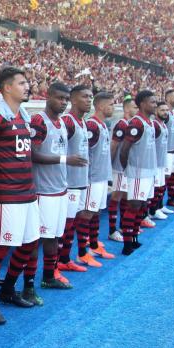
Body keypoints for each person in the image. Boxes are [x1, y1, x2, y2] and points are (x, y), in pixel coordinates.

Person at [0, 66, 42, 321]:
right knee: (1, 247)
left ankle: (7, 289)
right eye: (22, 83)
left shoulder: (24, 116)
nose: (27, 87)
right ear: (6, 88)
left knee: (29, 244)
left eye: (27, 83)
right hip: (7, 194)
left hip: (27, 193)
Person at [23, 82, 87, 300]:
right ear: (47, 96)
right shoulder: (39, 121)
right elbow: (31, 154)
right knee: (36, 238)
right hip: (42, 190)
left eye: (65, 100)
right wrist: (65, 159)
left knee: (54, 235)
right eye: (59, 98)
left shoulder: (60, 123)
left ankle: (49, 275)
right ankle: (28, 285)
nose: (62, 103)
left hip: (59, 188)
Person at [57, 85, 92, 275]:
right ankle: (55, 264)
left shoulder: (82, 122)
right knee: (65, 224)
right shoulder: (68, 122)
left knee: (73, 221)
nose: (89, 100)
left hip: (80, 181)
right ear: (74, 99)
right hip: (68, 183)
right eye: (85, 96)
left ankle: (65, 259)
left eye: (91, 96)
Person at [119, 90, 158, 255]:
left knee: (141, 205)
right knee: (134, 205)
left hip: (148, 171)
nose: (155, 105)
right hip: (138, 172)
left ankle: (134, 238)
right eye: (152, 102)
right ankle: (127, 245)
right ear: (142, 103)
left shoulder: (149, 122)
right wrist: (128, 169)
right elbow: (124, 150)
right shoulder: (136, 123)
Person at [80, 92, 116, 265]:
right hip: (91, 178)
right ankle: (82, 252)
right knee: (87, 213)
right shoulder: (92, 126)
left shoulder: (101, 125)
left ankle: (94, 245)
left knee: (97, 212)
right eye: (111, 104)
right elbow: (83, 151)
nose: (113, 107)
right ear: (101, 106)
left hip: (101, 177)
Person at [107, 96, 137, 241]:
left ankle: (122, 225)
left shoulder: (131, 124)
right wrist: (110, 167)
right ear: (126, 109)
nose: (137, 110)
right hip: (119, 167)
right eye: (134, 107)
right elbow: (114, 146)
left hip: (126, 167)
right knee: (116, 196)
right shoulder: (122, 124)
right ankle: (112, 231)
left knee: (125, 195)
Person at [150, 102, 170, 220]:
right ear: (156, 111)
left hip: (162, 161)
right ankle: (152, 211)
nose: (165, 112)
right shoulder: (155, 125)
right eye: (162, 110)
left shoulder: (163, 125)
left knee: (160, 186)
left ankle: (157, 208)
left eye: (166, 110)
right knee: (155, 188)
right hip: (155, 162)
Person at [162, 89, 174, 213]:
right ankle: (156, 207)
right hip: (166, 151)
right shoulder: (165, 114)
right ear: (168, 98)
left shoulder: (173, 114)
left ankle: (162, 204)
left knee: (168, 178)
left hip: (173, 150)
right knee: (163, 179)